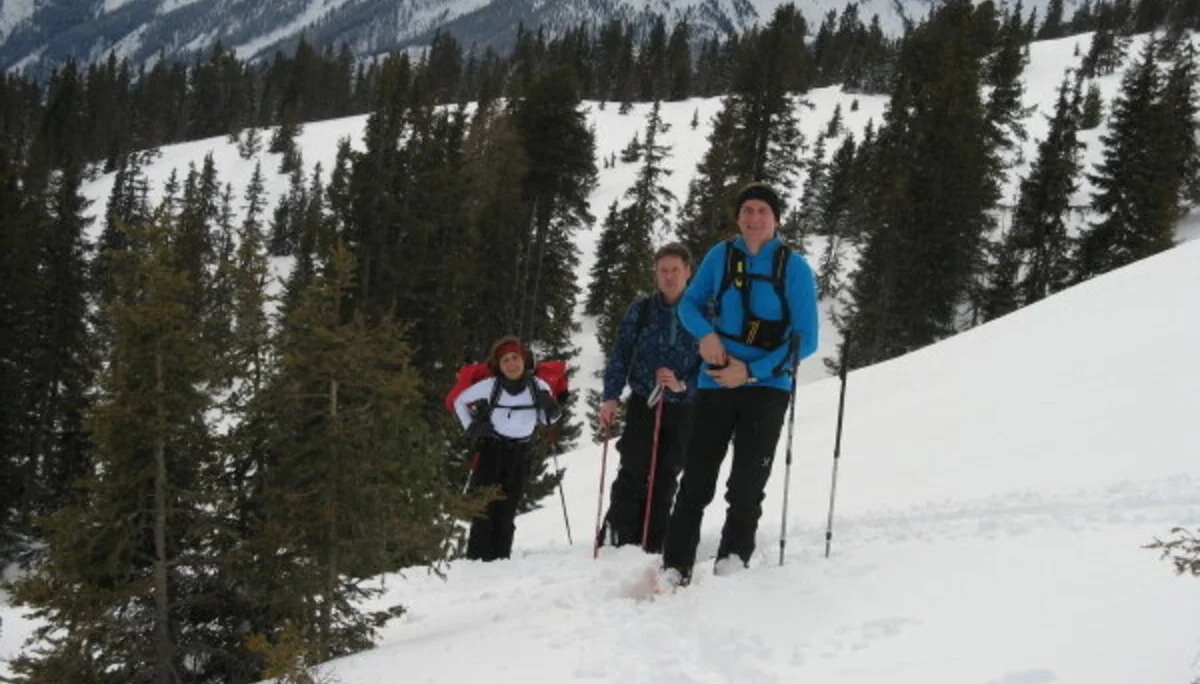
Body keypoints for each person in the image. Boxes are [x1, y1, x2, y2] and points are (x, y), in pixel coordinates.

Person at [659, 181, 819, 587]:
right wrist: (707, 337)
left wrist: (749, 372)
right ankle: (676, 565)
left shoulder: (794, 268)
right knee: (696, 477)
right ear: (737, 216)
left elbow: (806, 339)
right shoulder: (721, 256)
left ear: (776, 219)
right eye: (747, 210)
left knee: (747, 483)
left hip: (768, 387)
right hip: (715, 382)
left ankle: (732, 562)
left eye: (762, 211)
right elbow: (690, 307)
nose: (753, 218)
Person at [596, 243, 702, 553]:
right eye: (663, 271)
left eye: (675, 270)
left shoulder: (702, 312)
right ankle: (617, 536)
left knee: (667, 472)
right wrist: (611, 397)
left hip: (684, 406)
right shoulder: (640, 310)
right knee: (633, 466)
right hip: (645, 401)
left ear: (688, 272)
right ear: (655, 274)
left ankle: (653, 539)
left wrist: (685, 384)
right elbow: (620, 354)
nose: (669, 277)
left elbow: (712, 362)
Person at [454, 335, 561, 561]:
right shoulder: (490, 386)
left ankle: (500, 558)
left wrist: (550, 407)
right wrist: (472, 426)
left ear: (523, 359)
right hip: (492, 449)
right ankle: (476, 559)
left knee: (508, 507)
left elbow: (548, 419)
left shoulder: (537, 386)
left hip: (520, 453)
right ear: (498, 365)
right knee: (484, 505)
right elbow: (459, 401)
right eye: (505, 361)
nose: (512, 364)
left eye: (515, 358)